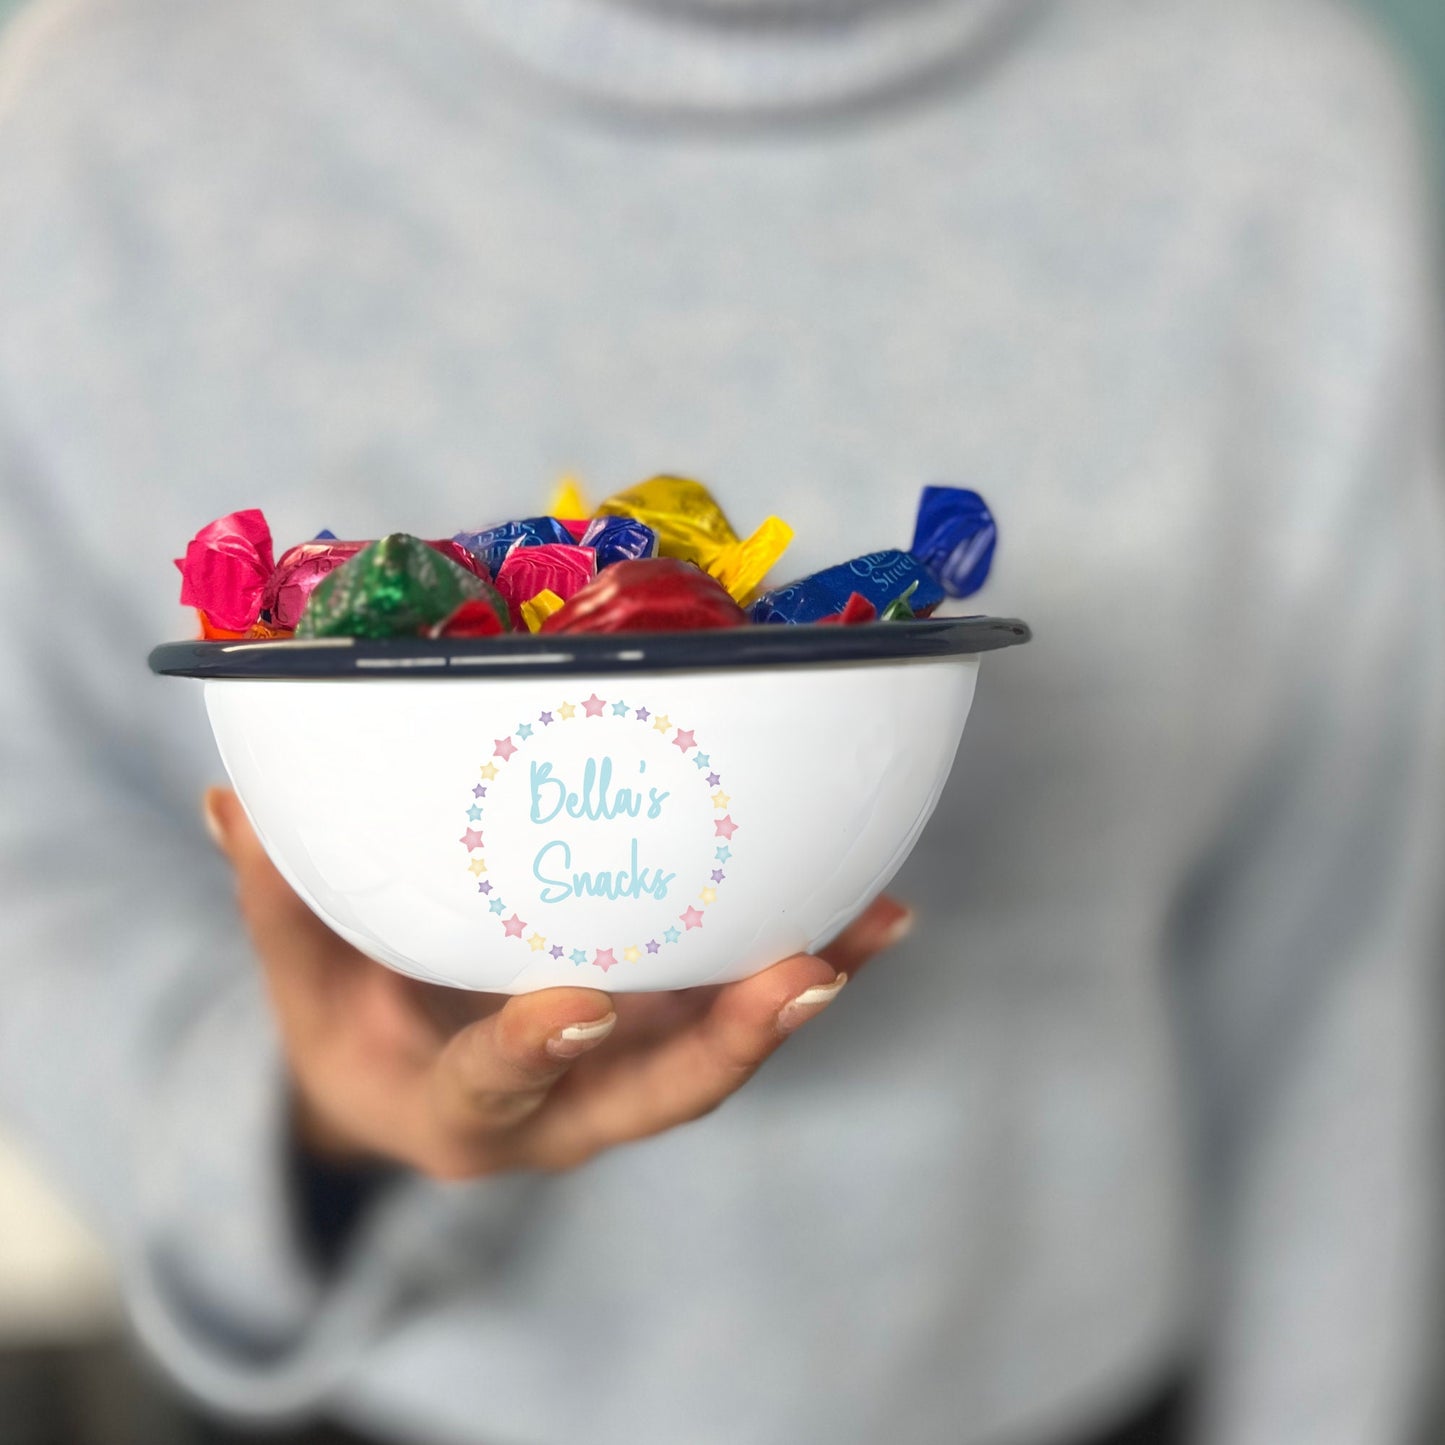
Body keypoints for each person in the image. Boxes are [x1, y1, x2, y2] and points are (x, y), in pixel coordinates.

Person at [0, 0, 1442, 1442]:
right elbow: (35, 850)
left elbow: (1344, 953)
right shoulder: (102, 122)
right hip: (370, 1395)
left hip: (1099, 1385)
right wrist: (301, 1135)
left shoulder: (1276, 120)